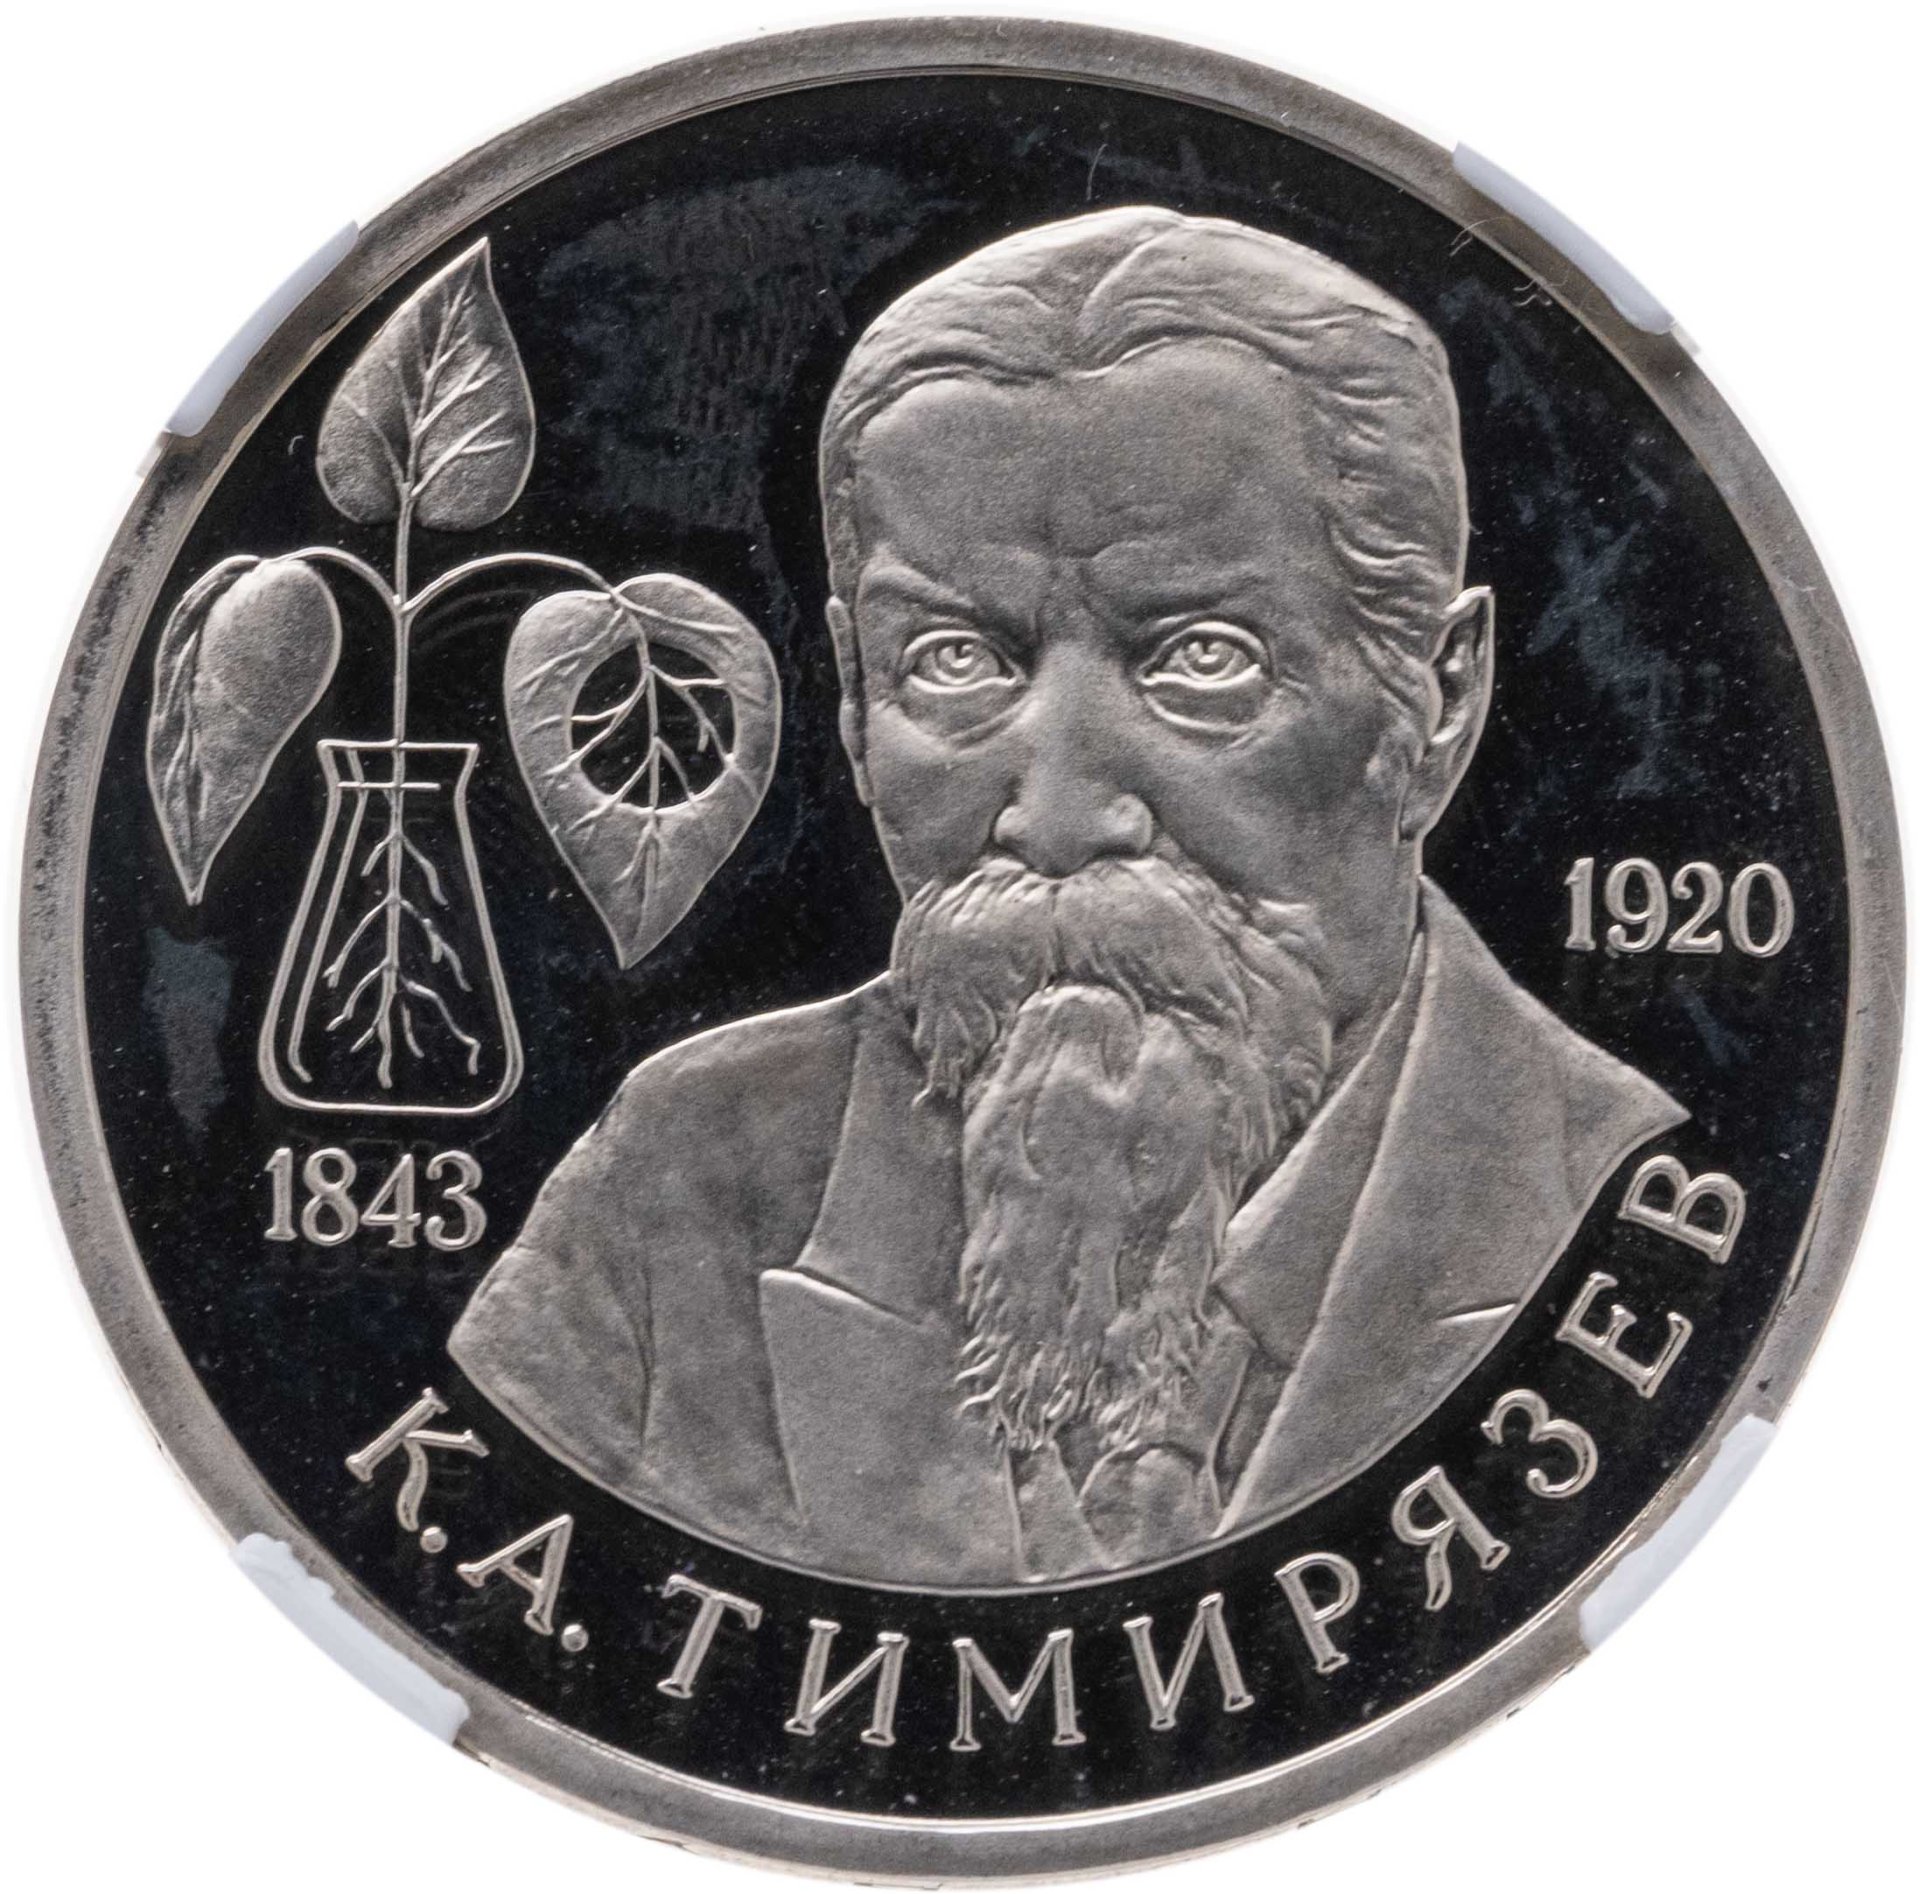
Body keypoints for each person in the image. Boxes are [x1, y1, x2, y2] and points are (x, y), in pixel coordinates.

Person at [450, 207, 1683, 1587]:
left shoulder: (1628, 1202)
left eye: (1201, 658)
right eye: (955, 660)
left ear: (1439, 702)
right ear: (853, 703)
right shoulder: (686, 1170)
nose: (1054, 816)